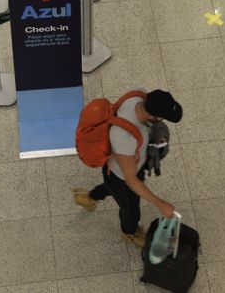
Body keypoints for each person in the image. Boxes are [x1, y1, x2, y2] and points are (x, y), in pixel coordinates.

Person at [72, 89, 183, 248]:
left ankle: (89, 197)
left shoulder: (137, 96)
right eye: (161, 118)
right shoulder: (125, 137)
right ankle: (129, 232)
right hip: (121, 177)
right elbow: (131, 180)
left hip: (126, 168)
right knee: (130, 211)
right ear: (152, 116)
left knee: (111, 187)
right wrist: (161, 204)